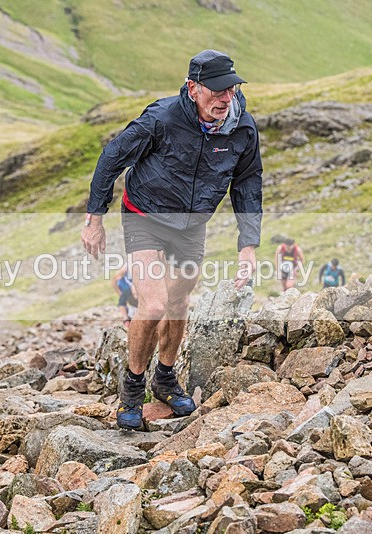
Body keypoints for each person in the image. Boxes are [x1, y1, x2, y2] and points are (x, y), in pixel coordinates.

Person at [82, 50, 262, 430]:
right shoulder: (161, 119)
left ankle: (164, 378)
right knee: (154, 303)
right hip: (144, 215)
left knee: (179, 299)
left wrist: (248, 245)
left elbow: (246, 182)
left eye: (231, 90)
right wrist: (94, 218)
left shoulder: (242, 128)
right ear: (192, 87)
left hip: (191, 224)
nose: (224, 99)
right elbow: (112, 157)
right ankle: (132, 387)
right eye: (216, 91)